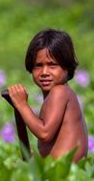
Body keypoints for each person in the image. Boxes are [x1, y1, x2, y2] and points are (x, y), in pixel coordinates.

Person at [7, 29, 88, 162]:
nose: (44, 72)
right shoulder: (58, 94)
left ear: (67, 66)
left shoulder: (60, 92)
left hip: (63, 174)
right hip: (57, 171)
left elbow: (44, 133)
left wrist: (22, 105)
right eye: (38, 66)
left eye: (52, 65)